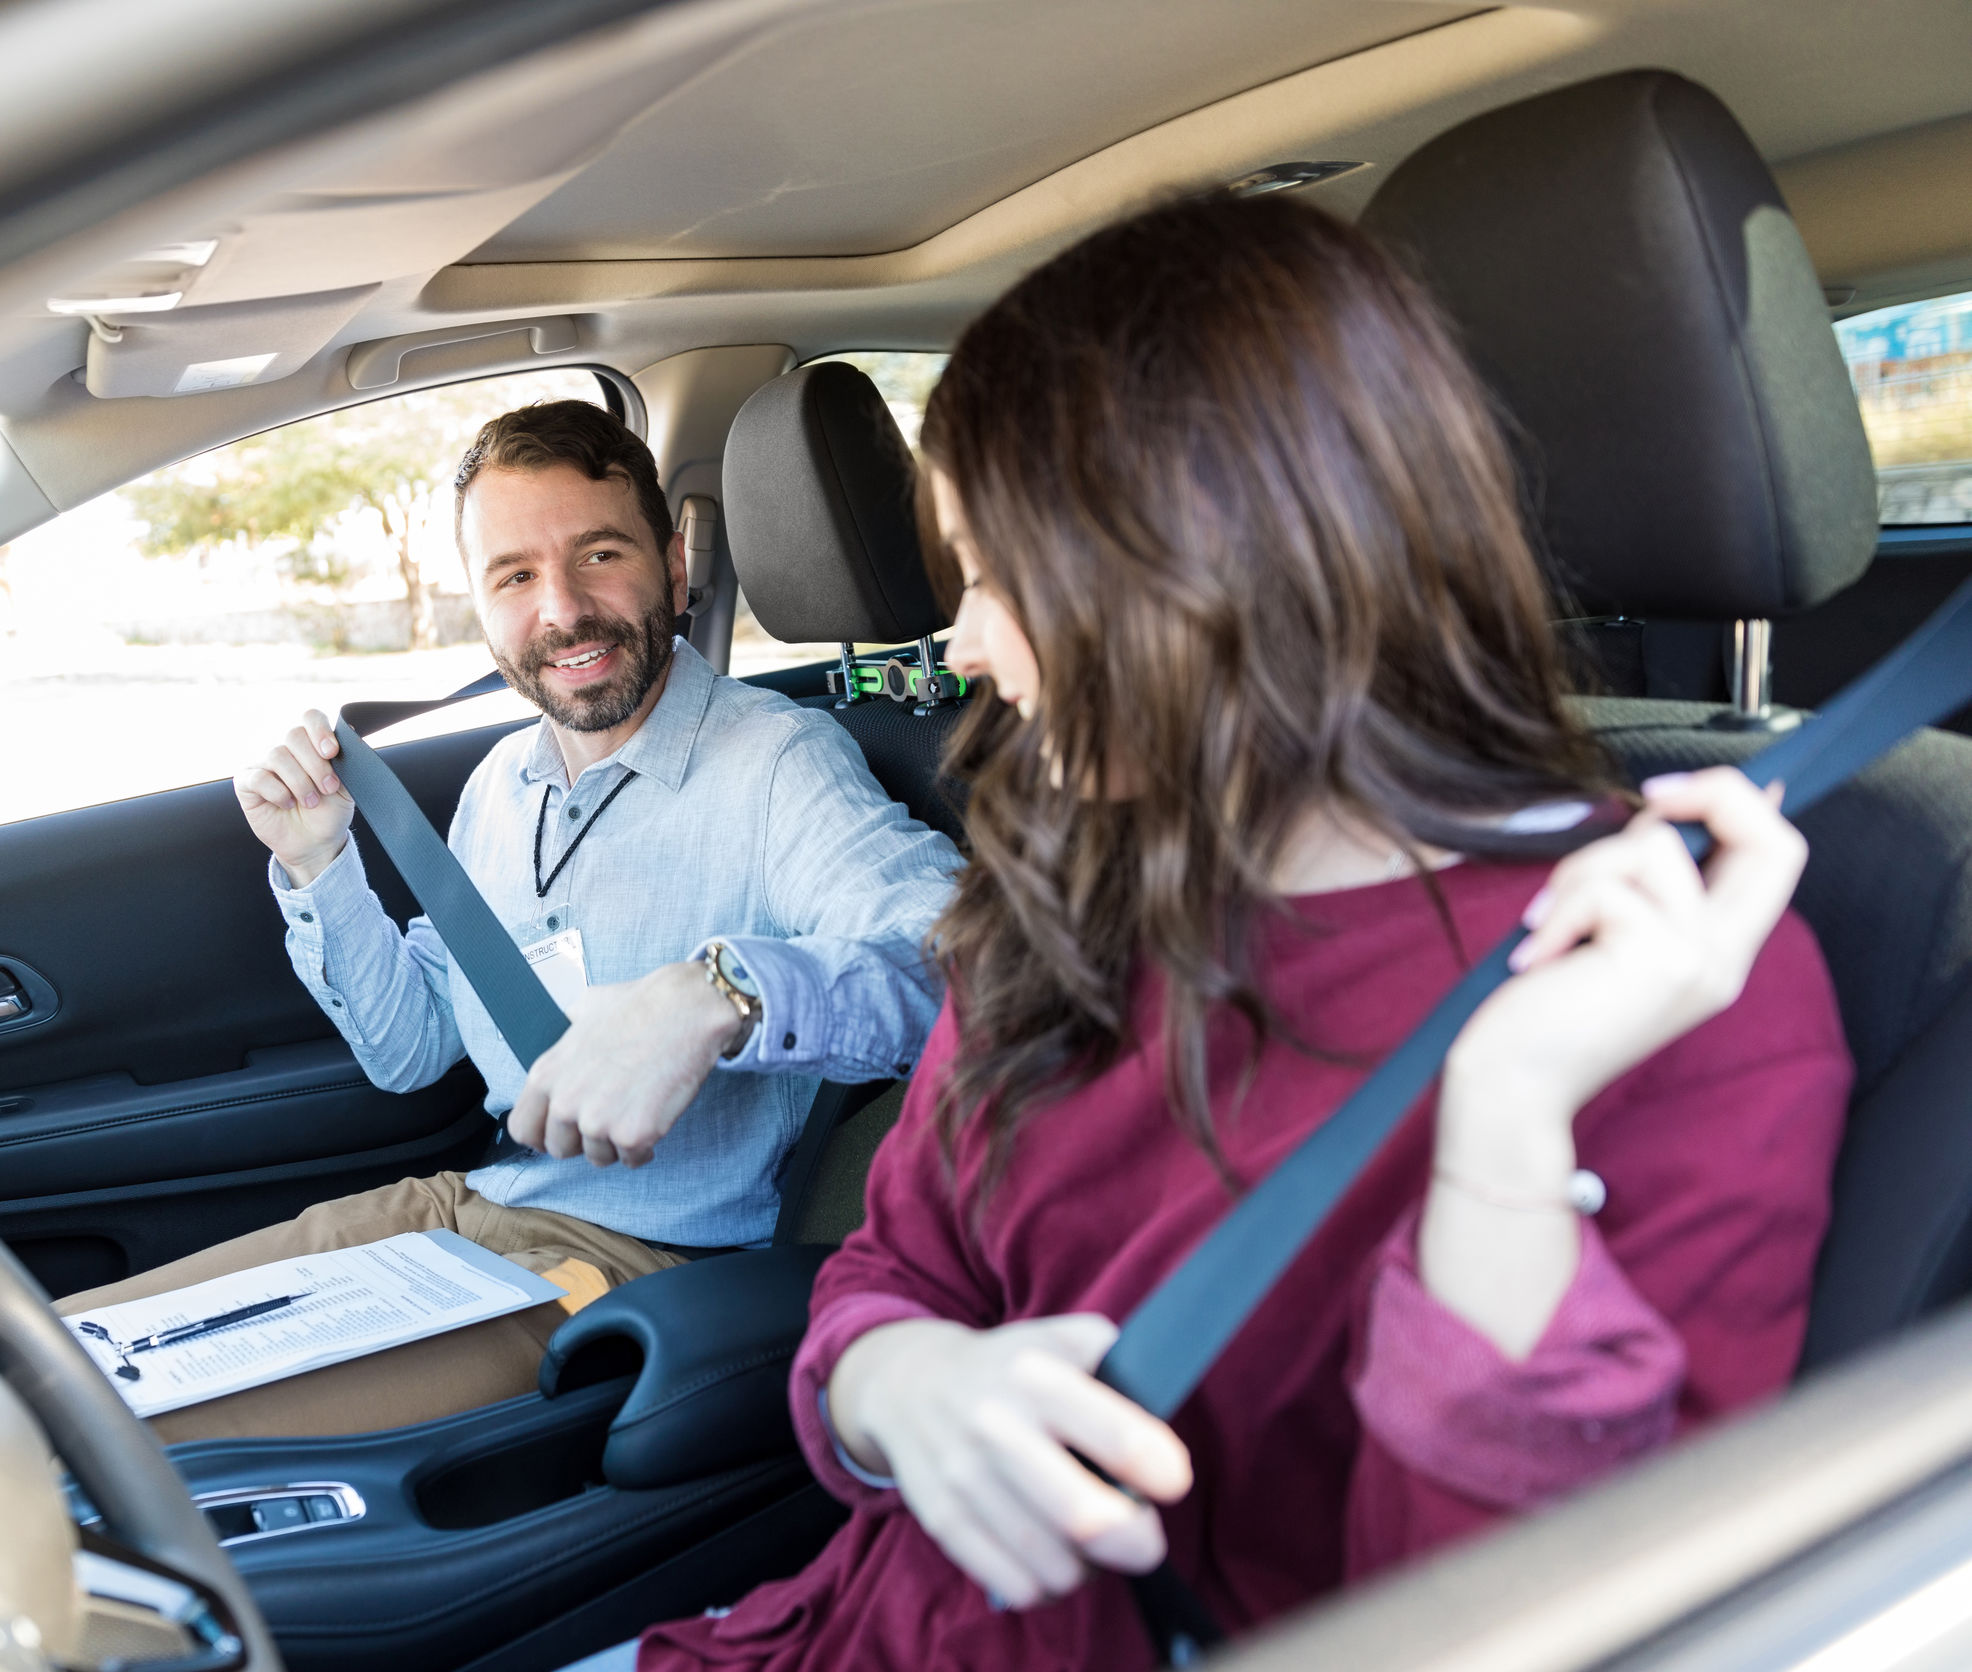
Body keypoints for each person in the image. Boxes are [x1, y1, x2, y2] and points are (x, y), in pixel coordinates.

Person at [623, 195, 1850, 1671]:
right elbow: (898, 1266)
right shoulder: (1066, 882)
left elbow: (1505, 1623)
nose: (964, 649)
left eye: (1006, 579)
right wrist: (902, 1389)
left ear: (1211, 564)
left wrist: (1508, 1138)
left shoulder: (1672, 979)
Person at [61, 400, 961, 1442]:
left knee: (125, 1439)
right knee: (46, 1358)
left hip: (631, 1260)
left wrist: (718, 991)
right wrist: (319, 864)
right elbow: (412, 1050)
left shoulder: (777, 764)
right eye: (516, 576)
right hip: (460, 1208)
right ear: (483, 608)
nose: (563, 610)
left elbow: (960, 958)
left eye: (600, 553)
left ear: (674, 566)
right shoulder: (501, 782)